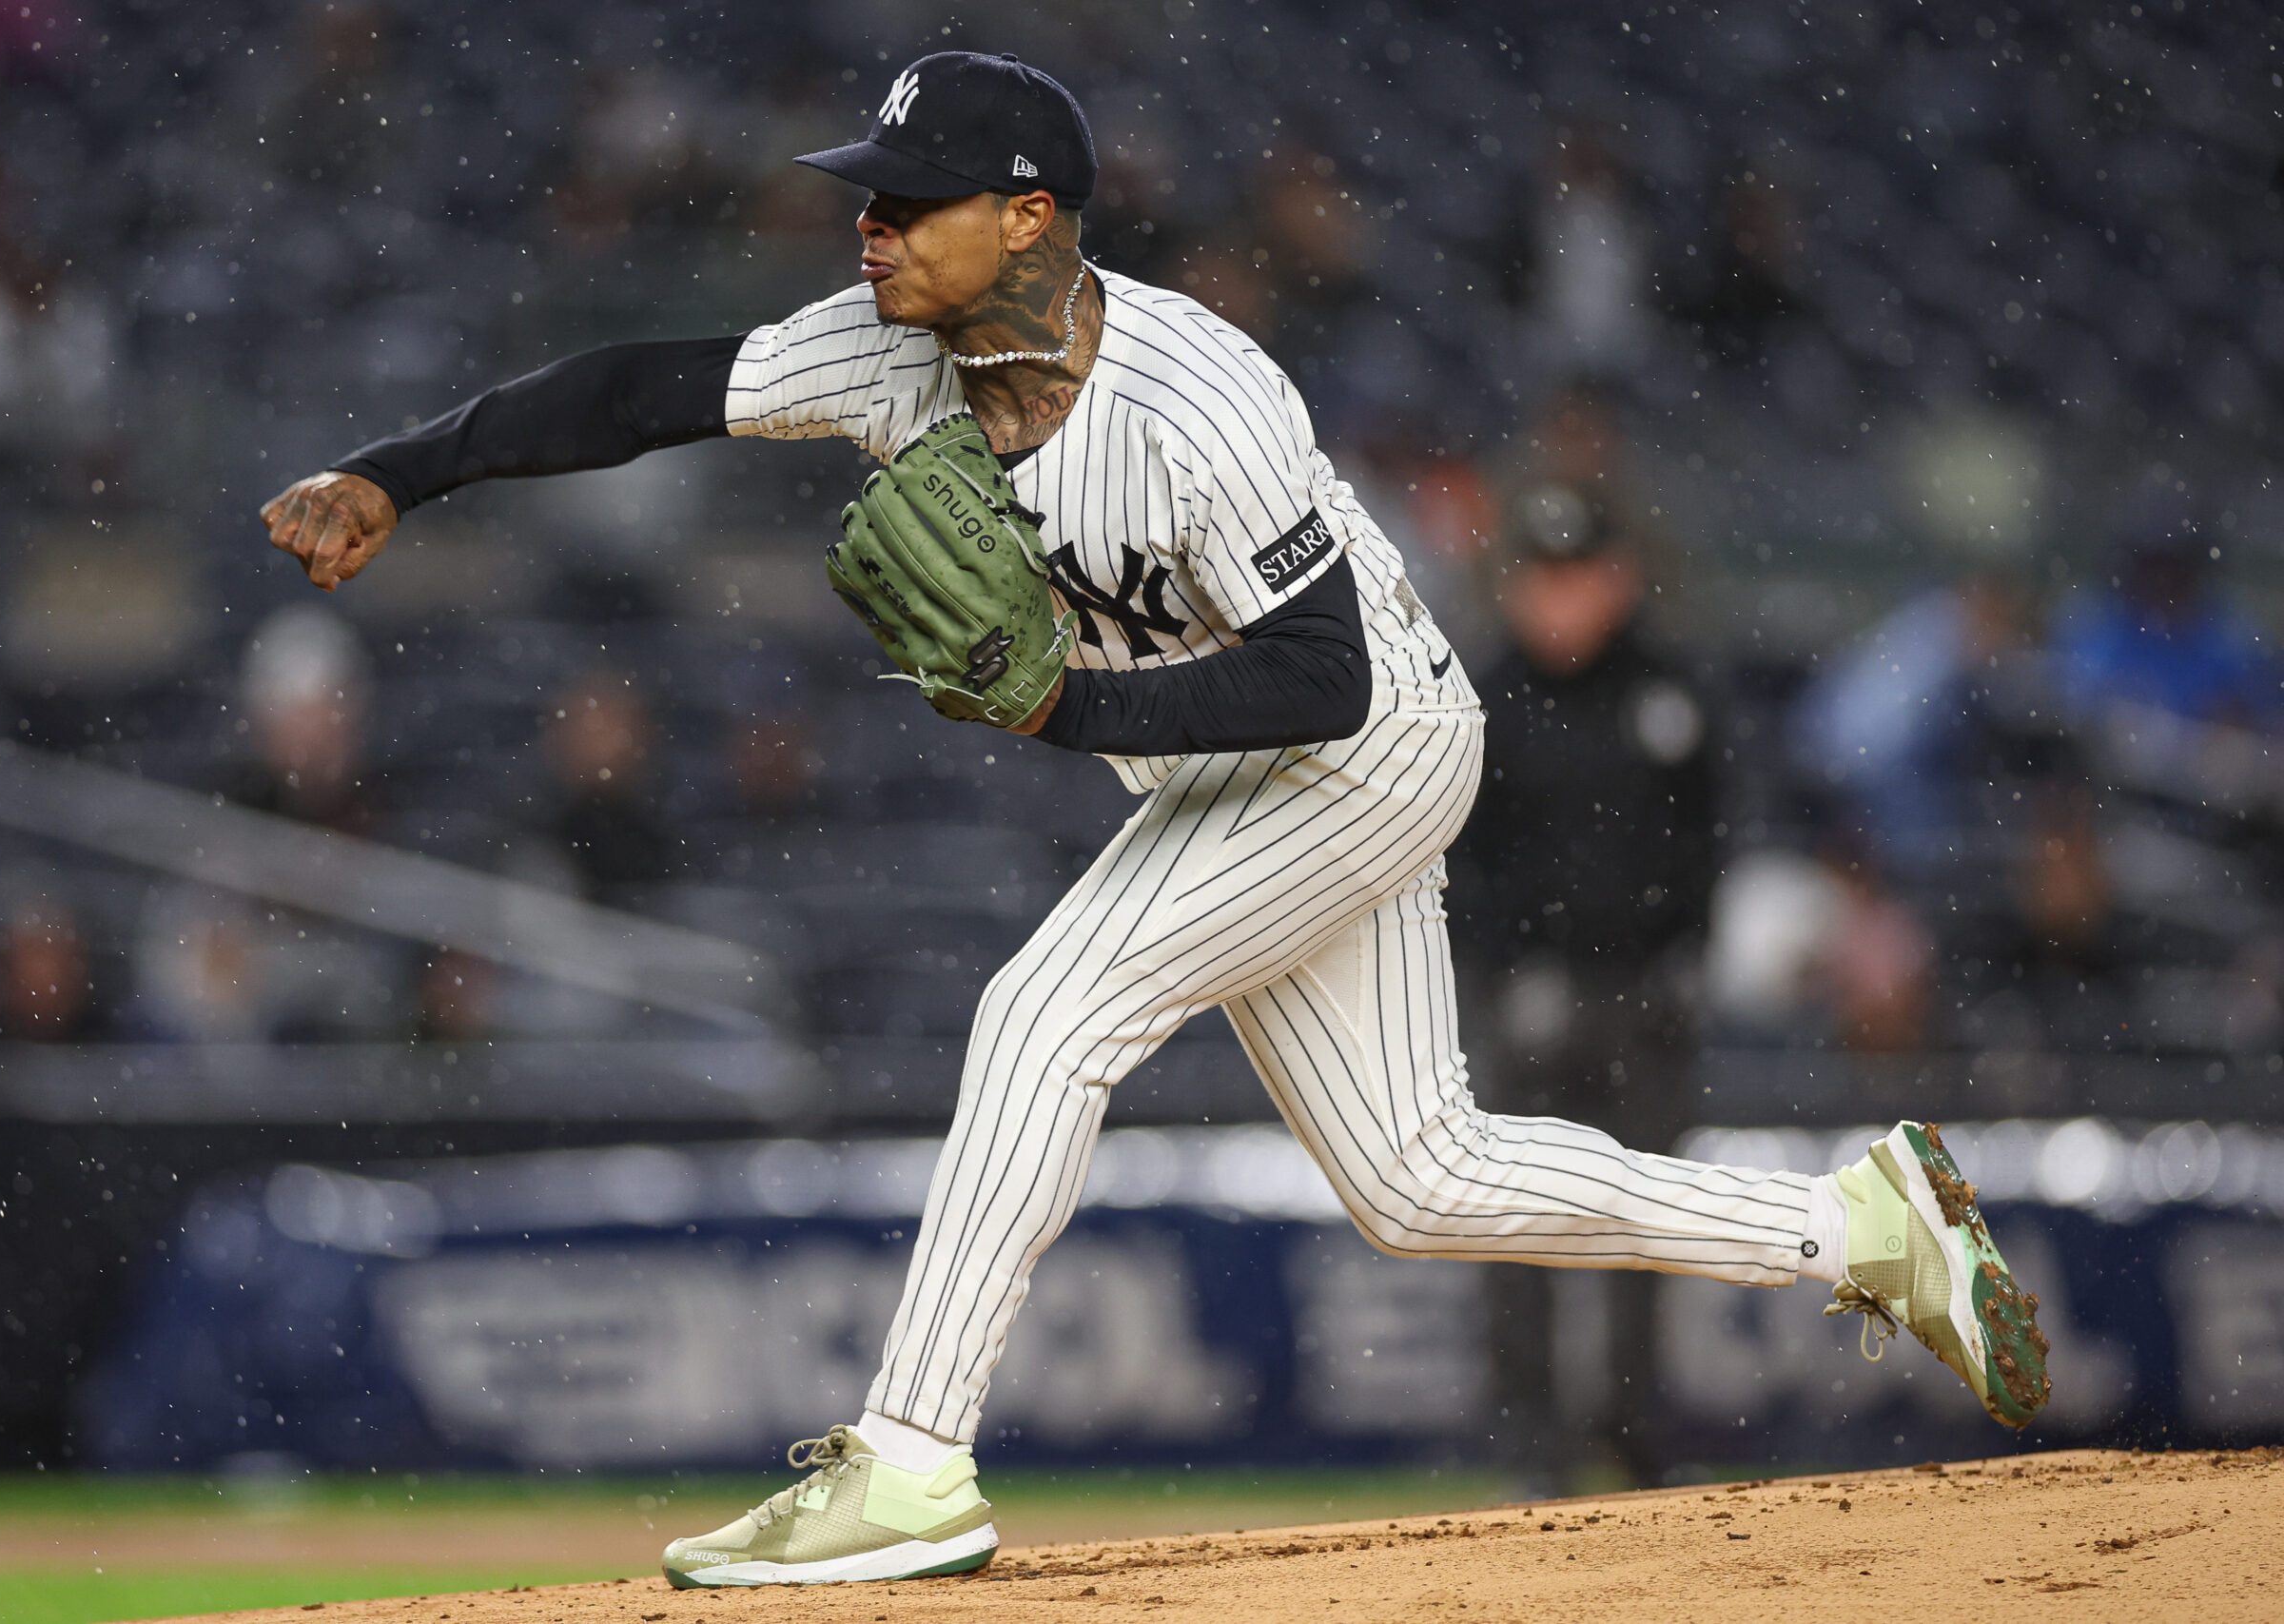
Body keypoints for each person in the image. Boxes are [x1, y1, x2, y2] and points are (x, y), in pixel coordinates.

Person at [259, 51, 2049, 1590]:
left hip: (1371, 746)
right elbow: (642, 385)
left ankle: (910, 1461)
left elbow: (1325, 676)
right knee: (1417, 1180)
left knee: (1047, 1010)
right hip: (1223, 771)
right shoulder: (891, 353)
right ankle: (1864, 1228)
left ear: (1029, 216)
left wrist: (1067, 711)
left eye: (909, 200)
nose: (867, 227)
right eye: (867, 198)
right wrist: (402, 470)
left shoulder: (1200, 396)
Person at [1448, 483, 1720, 1482]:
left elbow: (1706, 841)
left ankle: (1631, 1427)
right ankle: (1527, 1434)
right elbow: (1455, 855)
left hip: (1640, 995)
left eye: (1580, 574)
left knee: (1646, 1218)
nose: (1561, 599)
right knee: (1517, 1220)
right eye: (1543, 576)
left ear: (1618, 578)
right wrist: (1505, 969)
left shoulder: (1668, 690)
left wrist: (1687, 955)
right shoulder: (1479, 693)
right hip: (1523, 995)